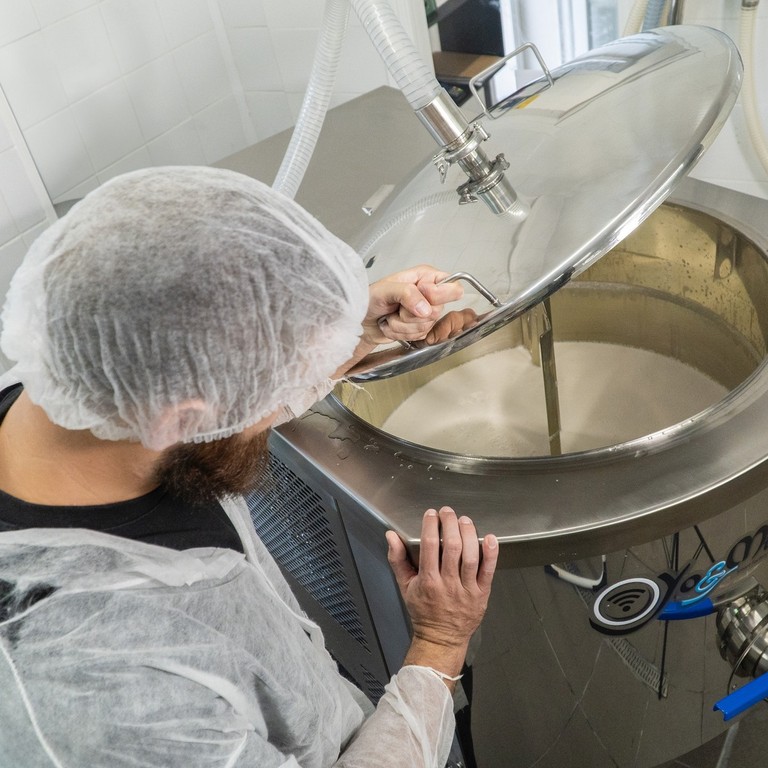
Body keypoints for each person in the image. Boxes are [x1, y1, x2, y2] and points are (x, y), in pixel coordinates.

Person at [0, 166, 498, 767]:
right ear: (184, 418)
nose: (287, 399)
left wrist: (347, 332)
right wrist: (439, 647)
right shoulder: (110, 703)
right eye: (268, 391)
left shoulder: (77, 377)